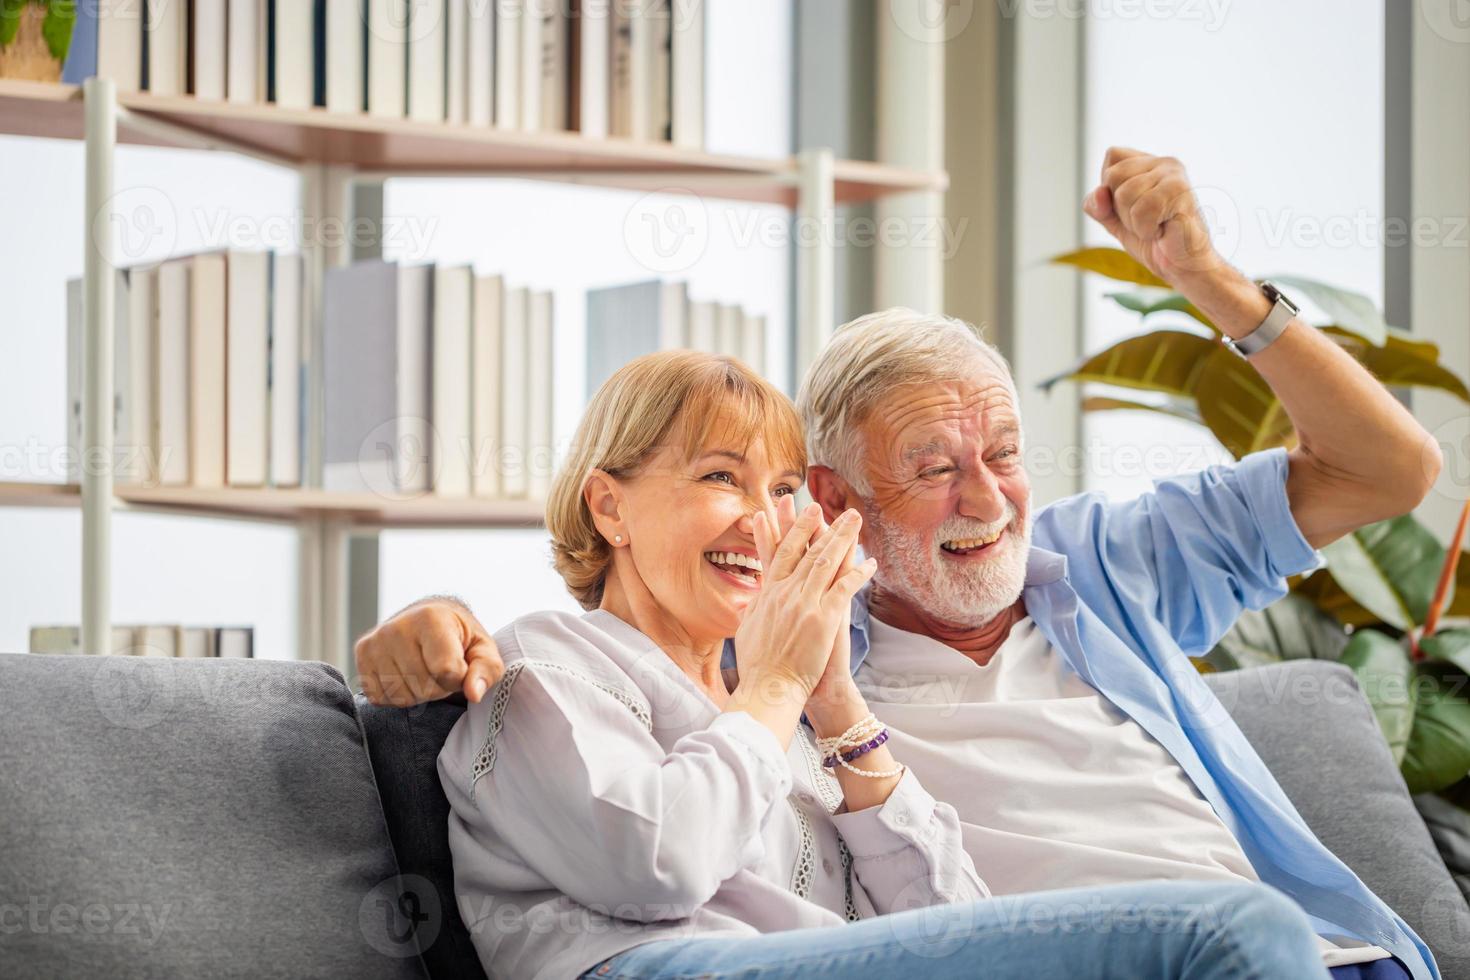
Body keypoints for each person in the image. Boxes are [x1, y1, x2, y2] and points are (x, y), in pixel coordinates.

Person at [362, 149, 1443, 980]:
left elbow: (1391, 468)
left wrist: (1204, 276)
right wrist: (423, 623)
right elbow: (624, 789)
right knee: (1243, 930)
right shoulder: (758, 655)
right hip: (1172, 947)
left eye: (1007, 455)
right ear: (844, 507)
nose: (986, 496)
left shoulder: (1094, 568)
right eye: (933, 466)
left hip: (1321, 952)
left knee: (1254, 928)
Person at [435, 349, 1332, 980]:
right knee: (1238, 933)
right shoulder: (542, 661)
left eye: (781, 489)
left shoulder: (775, 711)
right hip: (660, 967)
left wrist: (837, 709)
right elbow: (656, 864)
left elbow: (951, 922)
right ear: (610, 507)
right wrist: (781, 687)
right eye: (719, 478)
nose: (763, 519)